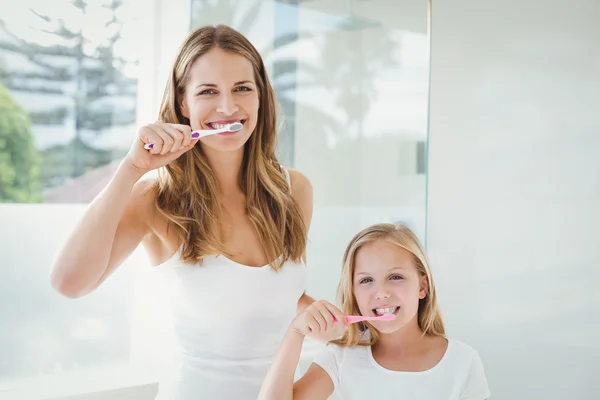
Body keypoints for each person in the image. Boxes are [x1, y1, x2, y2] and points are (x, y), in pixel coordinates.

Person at [50, 25, 318, 399]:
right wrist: (131, 169)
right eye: (208, 91)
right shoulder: (156, 200)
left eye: (243, 88)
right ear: (183, 102)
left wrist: (325, 313)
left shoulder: (295, 191)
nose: (228, 107)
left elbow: (279, 296)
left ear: (260, 97)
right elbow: (69, 282)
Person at [259, 223, 491, 400]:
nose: (381, 292)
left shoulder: (463, 362)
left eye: (395, 277)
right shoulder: (341, 358)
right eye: (366, 280)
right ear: (353, 292)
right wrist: (295, 333)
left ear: (422, 287)